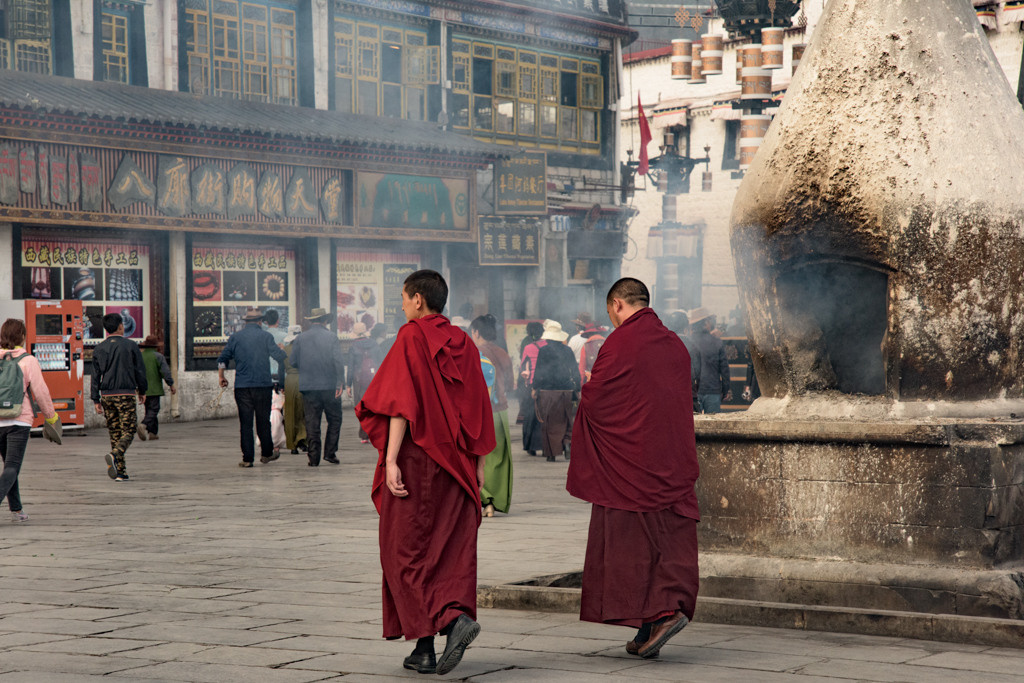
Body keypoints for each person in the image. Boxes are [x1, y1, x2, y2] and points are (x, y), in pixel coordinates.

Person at [355, 269, 495, 676]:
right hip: (459, 465)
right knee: (444, 552)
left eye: (402, 297)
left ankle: (452, 621)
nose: (401, 304)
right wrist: (481, 465)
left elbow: (400, 403)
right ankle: (423, 649)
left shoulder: (411, 336)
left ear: (418, 299)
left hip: (419, 461)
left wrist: (392, 458)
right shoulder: (465, 343)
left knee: (403, 551)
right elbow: (479, 406)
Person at [568, 278, 700, 659]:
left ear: (616, 304)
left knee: (632, 545)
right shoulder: (675, 343)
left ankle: (659, 614)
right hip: (670, 460)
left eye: (609, 311)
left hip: (631, 464)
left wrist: (590, 389)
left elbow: (598, 399)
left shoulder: (621, 342)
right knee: (666, 539)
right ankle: (650, 626)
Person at [0, 318, 59, 521]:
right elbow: (40, 392)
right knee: (13, 466)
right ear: (22, 336)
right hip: (19, 419)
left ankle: (16, 509)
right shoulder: (28, 360)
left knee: (9, 465)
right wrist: (51, 418)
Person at [218, 307, 287, 468]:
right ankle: (266, 453)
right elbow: (279, 356)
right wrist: (282, 350)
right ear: (260, 322)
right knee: (263, 421)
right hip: (262, 385)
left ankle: (248, 458)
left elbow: (223, 358)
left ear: (246, 322)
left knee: (245, 423)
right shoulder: (266, 336)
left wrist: (221, 376)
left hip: (242, 386)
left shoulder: (235, 337)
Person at [92, 312, 148, 481]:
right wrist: (143, 391)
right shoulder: (131, 346)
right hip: (125, 393)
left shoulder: (99, 348)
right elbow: (140, 371)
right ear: (121, 326)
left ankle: (120, 472)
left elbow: (95, 376)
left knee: (115, 432)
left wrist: (96, 399)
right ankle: (116, 453)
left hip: (107, 395)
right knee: (129, 429)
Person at [290, 307, 346, 466]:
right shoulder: (331, 337)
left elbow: (293, 362)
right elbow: (338, 362)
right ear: (325, 320)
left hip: (309, 387)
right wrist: (340, 382)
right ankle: (330, 452)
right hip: (329, 386)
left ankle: (313, 458)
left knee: (312, 422)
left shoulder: (301, 338)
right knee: (335, 420)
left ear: (312, 320)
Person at [470, 314, 513, 517]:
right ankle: (494, 502)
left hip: (480, 412)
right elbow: (511, 382)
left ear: (476, 332)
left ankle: (482, 498)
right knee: (500, 459)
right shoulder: (502, 353)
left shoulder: (473, 353)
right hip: (501, 411)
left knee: (481, 456)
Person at [531, 320, 580, 462]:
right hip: (566, 391)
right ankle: (567, 444)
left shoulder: (544, 351)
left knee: (549, 423)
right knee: (566, 419)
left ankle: (551, 453)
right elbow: (575, 371)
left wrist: (535, 388)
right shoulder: (567, 350)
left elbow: (539, 371)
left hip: (548, 392)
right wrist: (577, 388)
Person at [347, 321, 384, 444]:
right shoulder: (374, 344)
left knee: (361, 407)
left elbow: (351, 367)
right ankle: (375, 432)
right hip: (374, 379)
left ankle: (364, 435)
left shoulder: (353, 347)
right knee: (373, 406)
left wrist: (348, 384)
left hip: (359, 381)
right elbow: (380, 362)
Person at [689, 307, 731, 414]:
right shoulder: (716, 342)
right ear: (706, 322)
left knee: (694, 426)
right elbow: (724, 369)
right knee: (713, 426)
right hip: (713, 389)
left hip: (692, 391)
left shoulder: (688, 342)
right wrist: (725, 390)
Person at [518, 320, 550, 455]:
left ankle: (531, 446)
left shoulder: (528, 347)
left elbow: (522, 366)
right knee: (545, 416)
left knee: (530, 416)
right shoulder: (548, 346)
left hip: (531, 385)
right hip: (547, 385)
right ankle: (546, 445)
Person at [138, 335, 175, 441]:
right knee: (154, 409)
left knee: (148, 409)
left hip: (143, 388)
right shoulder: (158, 356)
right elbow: (165, 372)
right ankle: (144, 425)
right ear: (155, 346)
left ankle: (153, 433)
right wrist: (171, 384)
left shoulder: (140, 356)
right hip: (154, 388)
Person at [666, 310, 701, 413]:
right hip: (688, 397)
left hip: (667, 398)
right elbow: (697, 374)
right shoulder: (693, 347)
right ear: (686, 328)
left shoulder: (662, 344)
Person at [282, 325, 307, 454]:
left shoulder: (285, 350)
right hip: (303, 379)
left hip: (289, 380)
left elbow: (281, 369)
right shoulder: (306, 349)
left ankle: (292, 445)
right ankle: (303, 440)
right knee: (303, 411)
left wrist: (280, 384)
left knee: (290, 413)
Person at [515, 320, 544, 427]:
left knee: (526, 403)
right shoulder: (546, 343)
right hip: (543, 379)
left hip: (530, 379)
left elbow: (522, 360)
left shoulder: (526, 342)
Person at [263, 308, 287, 387]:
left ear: (266, 322)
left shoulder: (262, 336)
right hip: (283, 376)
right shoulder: (286, 336)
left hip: (266, 376)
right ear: (278, 320)